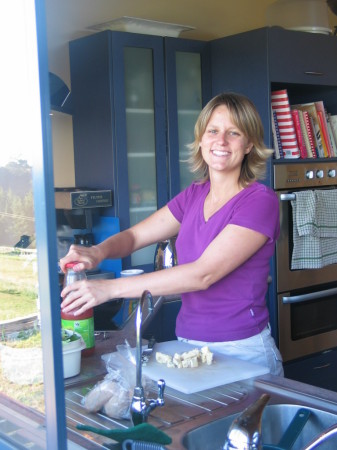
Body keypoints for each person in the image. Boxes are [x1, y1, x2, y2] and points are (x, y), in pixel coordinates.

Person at [60, 92, 284, 376]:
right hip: (189, 347)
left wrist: (108, 289)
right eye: (213, 131)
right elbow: (133, 238)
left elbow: (202, 274)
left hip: (242, 350)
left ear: (249, 143)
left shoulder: (259, 201)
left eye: (234, 133)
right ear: (201, 139)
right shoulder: (194, 194)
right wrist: (97, 252)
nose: (221, 141)